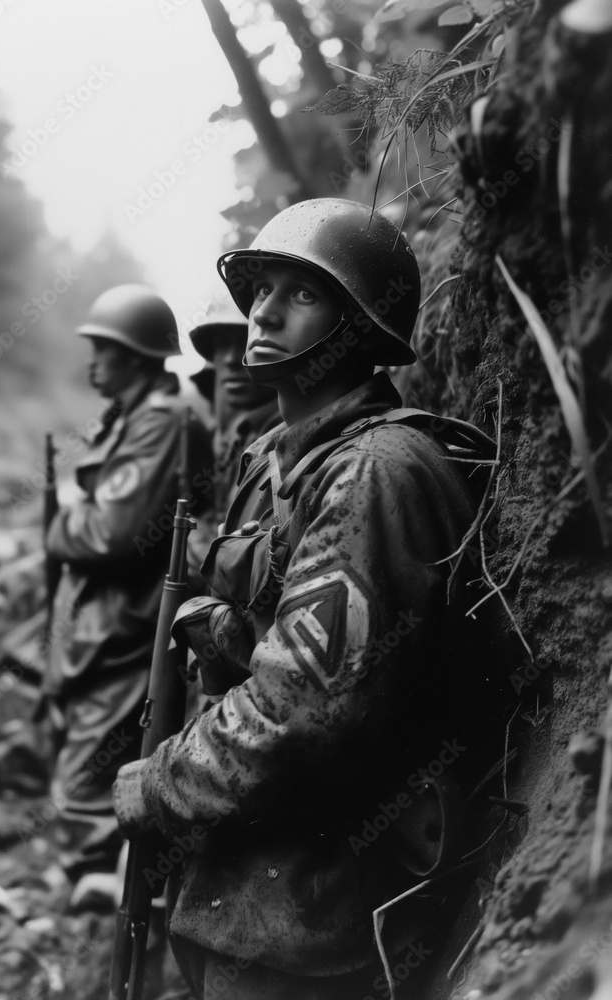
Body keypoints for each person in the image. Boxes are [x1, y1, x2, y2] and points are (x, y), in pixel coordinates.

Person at [113, 201, 505, 999]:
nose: (263, 309)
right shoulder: (275, 459)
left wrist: (153, 788)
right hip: (237, 897)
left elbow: (301, 713)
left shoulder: (376, 471)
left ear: (360, 321)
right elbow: (287, 618)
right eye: (261, 287)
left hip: (312, 920)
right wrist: (220, 628)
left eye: (302, 293)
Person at [44, 283, 213, 897]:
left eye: (104, 349)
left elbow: (112, 534)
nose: (92, 361)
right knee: (86, 775)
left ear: (139, 354)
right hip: (105, 633)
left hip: (127, 634)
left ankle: (99, 913)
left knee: (91, 787)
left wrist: (62, 519)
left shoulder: (162, 422)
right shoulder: (133, 418)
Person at [189, 298, 280, 522]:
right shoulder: (235, 434)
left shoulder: (281, 438)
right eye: (221, 344)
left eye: (243, 341)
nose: (230, 359)